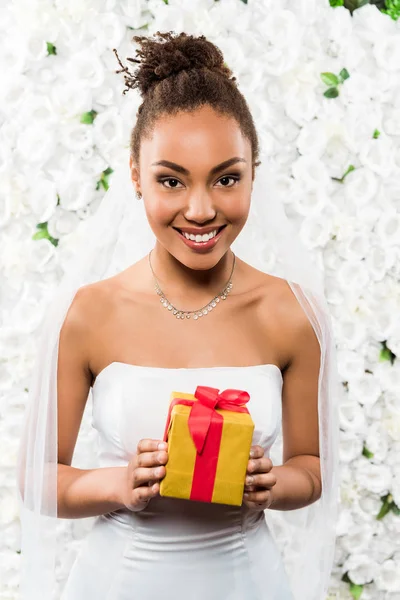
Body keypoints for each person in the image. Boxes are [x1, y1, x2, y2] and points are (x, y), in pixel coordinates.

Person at [16, 31, 340, 600]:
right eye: (171, 180)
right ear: (136, 176)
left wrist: (274, 482)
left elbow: (312, 468)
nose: (200, 209)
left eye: (226, 178)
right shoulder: (88, 312)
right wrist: (120, 483)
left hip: (247, 582)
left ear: (253, 172)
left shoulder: (293, 313)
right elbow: (35, 480)